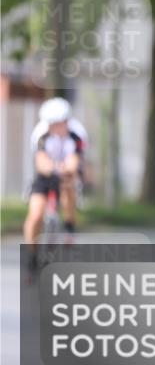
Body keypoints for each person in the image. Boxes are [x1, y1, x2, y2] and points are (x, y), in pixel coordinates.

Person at [24, 97, 84, 271]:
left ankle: (69, 225)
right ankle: (32, 253)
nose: (53, 127)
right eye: (50, 124)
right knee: (35, 215)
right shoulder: (41, 134)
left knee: (68, 185)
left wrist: (67, 169)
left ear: (66, 121)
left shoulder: (77, 135)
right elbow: (41, 161)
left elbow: (74, 161)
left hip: (67, 173)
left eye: (57, 123)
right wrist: (51, 167)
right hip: (45, 174)